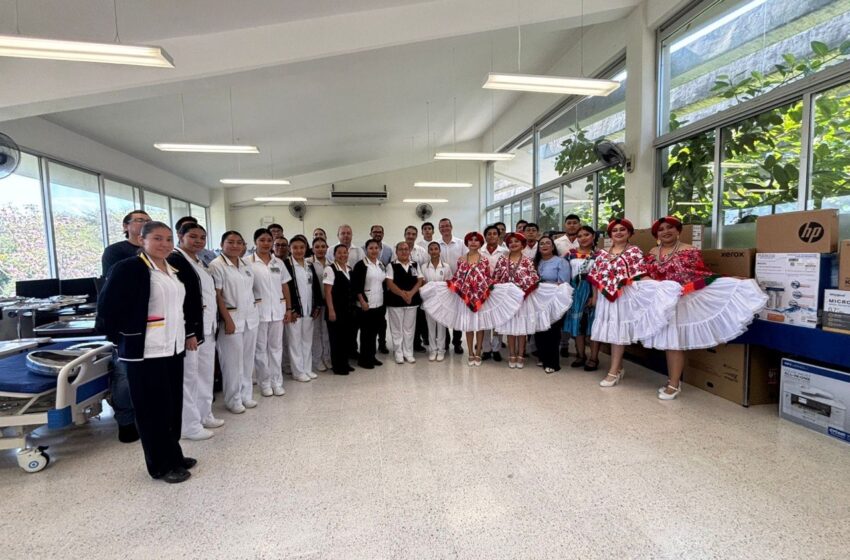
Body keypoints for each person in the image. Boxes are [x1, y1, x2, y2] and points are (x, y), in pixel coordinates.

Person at [97, 221, 200, 483]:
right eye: (157, 238)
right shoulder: (130, 268)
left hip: (173, 347)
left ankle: (173, 454)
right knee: (152, 410)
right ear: (142, 240)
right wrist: (124, 338)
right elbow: (108, 308)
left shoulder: (171, 270)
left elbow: (180, 308)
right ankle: (160, 465)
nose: (164, 244)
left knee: (171, 406)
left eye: (168, 239)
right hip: (146, 352)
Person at [641, 216, 768, 400]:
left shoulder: (689, 250)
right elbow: (646, 273)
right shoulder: (653, 251)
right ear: (656, 234)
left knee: (674, 342)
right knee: (669, 343)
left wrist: (726, 280)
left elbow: (699, 274)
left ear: (678, 230)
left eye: (670, 227)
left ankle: (674, 384)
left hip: (685, 300)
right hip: (663, 302)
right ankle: (672, 381)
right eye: (661, 229)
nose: (666, 231)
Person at [586, 218, 680, 388]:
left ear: (629, 233)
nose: (619, 233)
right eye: (615, 230)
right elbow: (595, 277)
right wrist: (595, 297)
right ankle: (618, 367)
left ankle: (613, 371)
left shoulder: (634, 251)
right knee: (611, 332)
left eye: (623, 229)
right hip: (606, 299)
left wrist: (659, 287)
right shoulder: (602, 253)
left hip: (624, 297)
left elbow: (640, 274)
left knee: (618, 333)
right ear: (610, 234)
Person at [421, 232, 524, 366]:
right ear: (467, 243)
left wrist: (491, 286)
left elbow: (486, 277)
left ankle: (478, 352)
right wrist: (449, 285)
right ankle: (470, 353)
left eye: (476, 240)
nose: (473, 242)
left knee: (479, 326)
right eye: (471, 240)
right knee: (469, 326)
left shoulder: (484, 260)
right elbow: (458, 278)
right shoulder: (461, 259)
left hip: (481, 297)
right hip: (466, 298)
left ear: (480, 243)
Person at [168, 222, 223, 441]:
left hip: (207, 326)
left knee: (205, 373)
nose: (198, 241)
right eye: (193, 236)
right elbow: (182, 300)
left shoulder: (199, 261)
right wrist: (189, 331)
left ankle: (205, 414)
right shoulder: (175, 261)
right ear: (180, 236)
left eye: (202, 237)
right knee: (189, 377)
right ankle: (189, 425)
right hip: (191, 331)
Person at [100, 209, 150, 444]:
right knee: (124, 373)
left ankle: (145, 417)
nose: (144, 223)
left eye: (148, 221)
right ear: (126, 226)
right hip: (127, 322)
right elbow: (114, 288)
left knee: (148, 373)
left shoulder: (155, 252)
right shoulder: (116, 252)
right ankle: (126, 420)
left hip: (153, 321)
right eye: (139, 220)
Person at [494, 233, 572, 369]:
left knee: (522, 327)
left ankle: (520, 355)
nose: (513, 244)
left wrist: (523, 290)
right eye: (511, 242)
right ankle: (512, 354)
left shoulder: (528, 260)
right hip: (508, 298)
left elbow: (533, 278)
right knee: (510, 327)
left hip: (524, 297)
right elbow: (496, 277)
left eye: (517, 241)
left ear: (522, 245)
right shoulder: (502, 259)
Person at [209, 231, 261, 414]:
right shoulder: (216, 265)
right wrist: (227, 320)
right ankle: (233, 399)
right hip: (231, 320)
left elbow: (250, 290)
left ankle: (246, 395)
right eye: (230, 242)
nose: (235, 246)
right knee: (232, 363)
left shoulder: (245, 264)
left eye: (239, 242)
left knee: (247, 360)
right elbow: (217, 296)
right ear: (222, 244)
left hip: (250, 318)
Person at [249, 228, 293, 396]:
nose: (266, 243)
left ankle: (277, 382)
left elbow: (285, 286)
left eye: (269, 240)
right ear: (255, 242)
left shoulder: (278, 262)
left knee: (276, 348)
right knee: (260, 349)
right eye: (262, 240)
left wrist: (288, 309)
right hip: (259, 312)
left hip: (278, 310)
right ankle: (265, 383)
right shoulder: (247, 262)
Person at [283, 235, 323, 382]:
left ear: (306, 249)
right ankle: (298, 371)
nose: (299, 250)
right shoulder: (286, 265)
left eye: (301, 247)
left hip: (308, 309)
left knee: (307, 341)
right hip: (295, 310)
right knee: (295, 342)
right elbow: (285, 289)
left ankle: (307, 368)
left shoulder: (309, 265)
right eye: (295, 247)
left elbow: (315, 287)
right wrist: (291, 309)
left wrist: (317, 306)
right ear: (290, 249)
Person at [563, 226, 602, 372]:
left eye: (586, 234)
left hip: (593, 291)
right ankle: (580, 355)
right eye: (579, 236)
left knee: (592, 325)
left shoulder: (600, 255)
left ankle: (594, 357)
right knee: (577, 324)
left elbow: (601, 276)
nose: (583, 238)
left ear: (593, 236)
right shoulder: (570, 254)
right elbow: (565, 274)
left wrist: (594, 296)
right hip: (575, 291)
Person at [533, 235, 571, 374]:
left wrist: (547, 286)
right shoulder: (535, 263)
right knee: (539, 329)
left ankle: (553, 363)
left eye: (548, 243)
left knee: (552, 331)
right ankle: (542, 357)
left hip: (554, 300)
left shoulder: (561, 262)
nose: (544, 245)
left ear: (553, 246)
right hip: (537, 300)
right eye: (541, 243)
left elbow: (564, 283)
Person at [386, 241, 424, 364]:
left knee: (409, 329)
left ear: (409, 251)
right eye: (401, 249)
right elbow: (389, 283)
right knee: (397, 328)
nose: (404, 251)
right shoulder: (391, 265)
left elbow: (420, 281)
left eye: (406, 249)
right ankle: (398, 353)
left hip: (412, 301)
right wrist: (403, 294)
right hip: (395, 302)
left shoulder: (415, 265)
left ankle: (408, 353)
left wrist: (411, 294)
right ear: (396, 252)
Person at [351, 239, 387, 369]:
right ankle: (364, 360)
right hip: (365, 305)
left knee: (374, 332)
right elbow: (356, 285)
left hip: (379, 303)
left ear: (379, 249)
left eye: (376, 248)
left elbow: (383, 282)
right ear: (366, 250)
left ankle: (371, 356)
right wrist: (362, 301)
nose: (374, 250)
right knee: (366, 333)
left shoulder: (380, 264)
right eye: (371, 248)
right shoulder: (361, 265)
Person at [323, 245, 356, 375]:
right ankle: (338, 366)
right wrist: (331, 310)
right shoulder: (330, 269)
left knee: (346, 338)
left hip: (348, 310)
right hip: (336, 310)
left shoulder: (349, 269)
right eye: (339, 253)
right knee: (336, 339)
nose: (343, 255)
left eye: (345, 252)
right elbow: (327, 292)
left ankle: (345, 363)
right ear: (334, 255)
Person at [437, 218, 468, 354]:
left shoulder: (461, 243)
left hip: (458, 284)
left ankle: (457, 342)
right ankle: (445, 341)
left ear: (451, 227)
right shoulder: (436, 244)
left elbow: (467, 260)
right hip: (442, 284)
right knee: (444, 313)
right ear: (439, 229)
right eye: (442, 227)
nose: (444, 228)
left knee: (457, 314)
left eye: (447, 226)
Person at [396, 225, 429, 352]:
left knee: (417, 318)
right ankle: (401, 345)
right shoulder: (396, 249)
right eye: (408, 234)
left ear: (416, 236)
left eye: (413, 234)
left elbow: (424, 269)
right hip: (400, 289)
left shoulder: (421, 251)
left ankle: (416, 343)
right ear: (404, 235)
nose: (410, 236)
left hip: (417, 288)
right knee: (401, 320)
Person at [480, 225, 507, 362]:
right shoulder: (480, 252)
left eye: (494, 233)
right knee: (485, 320)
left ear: (498, 235)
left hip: (499, 290)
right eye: (489, 234)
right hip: (483, 290)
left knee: (498, 321)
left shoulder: (505, 252)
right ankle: (486, 349)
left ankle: (496, 349)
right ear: (485, 236)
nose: (492, 236)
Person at [421, 242, 450, 362]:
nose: (433, 251)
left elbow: (448, 284)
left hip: (442, 302)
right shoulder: (424, 267)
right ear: (428, 252)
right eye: (431, 249)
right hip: (429, 301)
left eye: (436, 249)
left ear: (439, 251)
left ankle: (441, 350)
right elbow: (422, 284)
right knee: (431, 326)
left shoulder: (446, 266)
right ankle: (433, 350)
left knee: (441, 327)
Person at [366, 225, 391, 354]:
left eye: (380, 232)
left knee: (381, 319)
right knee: (368, 321)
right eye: (375, 232)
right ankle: (368, 346)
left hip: (382, 289)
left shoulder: (388, 250)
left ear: (383, 234)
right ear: (370, 233)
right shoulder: (363, 249)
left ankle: (382, 343)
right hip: (368, 289)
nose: (377, 234)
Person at [308, 236, 332, 372]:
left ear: (327, 248)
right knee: (316, 332)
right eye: (317, 247)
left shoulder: (331, 263)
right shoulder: (308, 263)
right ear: (312, 249)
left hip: (328, 303)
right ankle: (317, 360)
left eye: (323, 246)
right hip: (315, 304)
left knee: (326, 331)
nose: (320, 249)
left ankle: (327, 357)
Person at [273, 236, 293, 375]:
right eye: (277, 245)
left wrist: (290, 308)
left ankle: (285, 364)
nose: (281, 247)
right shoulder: (255, 263)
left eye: (284, 245)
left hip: (285, 307)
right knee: (270, 344)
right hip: (268, 309)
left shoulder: (288, 263)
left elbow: (288, 287)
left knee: (285, 341)